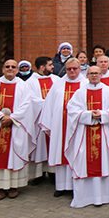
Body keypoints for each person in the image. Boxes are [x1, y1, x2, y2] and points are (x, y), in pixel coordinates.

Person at [65, 65, 109, 208]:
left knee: (102, 162)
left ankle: (102, 197)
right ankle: (83, 198)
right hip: (84, 135)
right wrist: (89, 115)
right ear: (87, 75)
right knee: (83, 162)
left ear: (101, 75)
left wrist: (102, 114)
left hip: (103, 133)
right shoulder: (79, 92)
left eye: (96, 73)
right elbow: (71, 110)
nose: (94, 76)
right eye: (91, 73)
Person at [0, 59, 35, 200]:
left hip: (15, 127)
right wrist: (1, 116)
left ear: (17, 70)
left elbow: (26, 105)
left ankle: (13, 187)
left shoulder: (23, 86)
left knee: (14, 155)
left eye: (13, 67)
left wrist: (12, 118)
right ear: (3, 69)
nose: (10, 69)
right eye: (7, 66)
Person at [40, 57, 87, 197]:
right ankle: (61, 186)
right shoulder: (58, 84)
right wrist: (48, 124)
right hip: (61, 126)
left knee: (76, 154)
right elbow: (49, 104)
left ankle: (76, 186)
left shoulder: (85, 84)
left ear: (80, 69)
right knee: (61, 153)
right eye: (69, 69)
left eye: (75, 68)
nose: (72, 71)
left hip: (79, 126)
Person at [25, 56, 57, 182]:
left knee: (53, 145)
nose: (53, 67)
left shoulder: (56, 80)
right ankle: (39, 174)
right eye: (50, 65)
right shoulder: (30, 83)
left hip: (54, 120)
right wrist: (49, 105)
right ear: (42, 67)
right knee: (40, 147)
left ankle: (53, 173)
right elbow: (31, 100)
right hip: (38, 121)